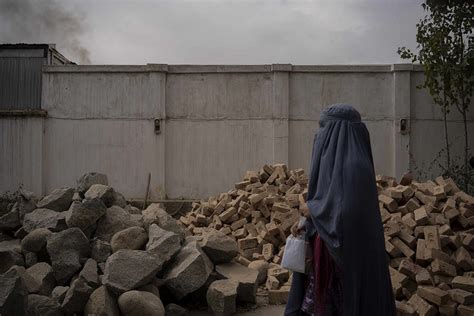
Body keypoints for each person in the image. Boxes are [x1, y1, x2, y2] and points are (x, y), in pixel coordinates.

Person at [285, 104, 395, 316]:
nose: (320, 134)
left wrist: (312, 210)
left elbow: (347, 212)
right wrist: (306, 222)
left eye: (323, 127)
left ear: (336, 132)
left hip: (342, 258)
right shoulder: (336, 161)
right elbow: (329, 199)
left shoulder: (354, 165)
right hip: (327, 251)